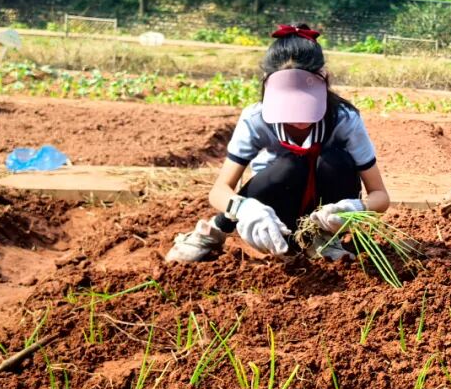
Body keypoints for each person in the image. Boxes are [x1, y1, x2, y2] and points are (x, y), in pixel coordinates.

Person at [166, 24, 389, 262]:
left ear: (324, 79)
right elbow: (220, 190)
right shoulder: (256, 119)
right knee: (290, 165)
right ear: (267, 85)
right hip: (274, 215)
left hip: (325, 217)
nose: (299, 117)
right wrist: (245, 209)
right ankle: (214, 231)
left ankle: (322, 241)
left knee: (335, 160)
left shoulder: (344, 119)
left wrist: (355, 208)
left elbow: (380, 196)